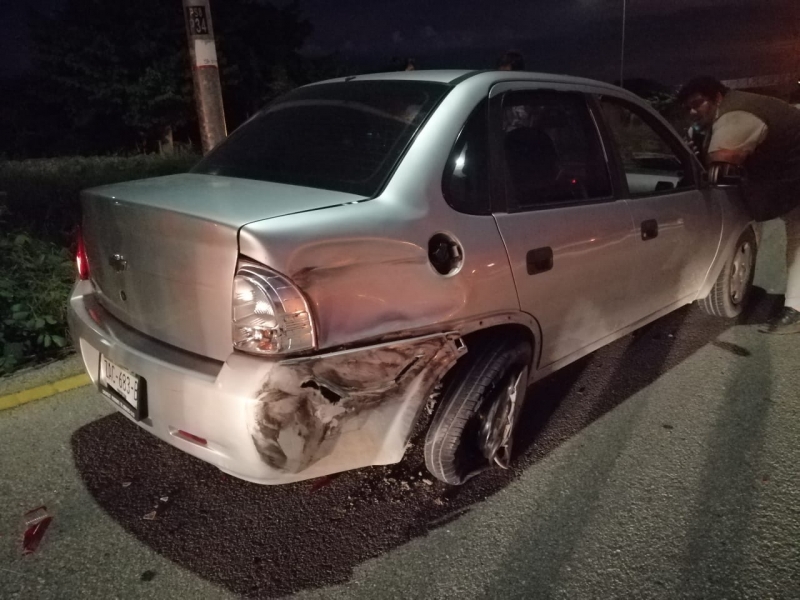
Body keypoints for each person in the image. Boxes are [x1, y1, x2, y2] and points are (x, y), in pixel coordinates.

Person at [678, 76, 800, 334]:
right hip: (780, 180)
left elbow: (723, 160)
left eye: (697, 104)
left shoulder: (738, 114)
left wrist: (701, 151)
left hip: (793, 181)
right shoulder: (726, 113)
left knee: (799, 244)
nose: (692, 112)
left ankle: (795, 309)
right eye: (687, 108)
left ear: (717, 98)